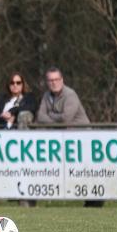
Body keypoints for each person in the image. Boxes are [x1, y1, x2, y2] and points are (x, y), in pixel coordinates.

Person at [36, 67, 99, 207]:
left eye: (56, 79)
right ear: (47, 82)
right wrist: (55, 120)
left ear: (62, 80)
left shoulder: (70, 94)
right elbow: (40, 116)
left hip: (83, 140)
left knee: (85, 173)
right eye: (50, 80)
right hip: (64, 141)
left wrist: (50, 116)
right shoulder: (46, 96)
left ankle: (95, 203)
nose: (54, 83)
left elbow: (66, 119)